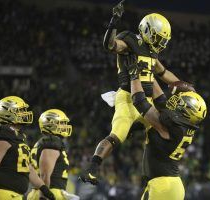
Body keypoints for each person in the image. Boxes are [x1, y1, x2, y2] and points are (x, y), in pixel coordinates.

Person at [80, 0, 181, 185]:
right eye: (158, 38)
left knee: (163, 132)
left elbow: (163, 73)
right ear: (148, 31)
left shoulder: (152, 52)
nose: (160, 43)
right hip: (128, 97)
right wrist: (114, 21)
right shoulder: (130, 39)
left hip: (147, 101)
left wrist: (182, 84)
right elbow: (110, 45)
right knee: (117, 135)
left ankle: (152, 169)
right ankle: (92, 167)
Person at [126, 54, 207, 199]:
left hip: (164, 186)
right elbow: (161, 101)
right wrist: (148, 73)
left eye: (180, 102)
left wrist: (134, 75)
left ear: (187, 111)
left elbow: (140, 102)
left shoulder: (174, 126)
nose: (175, 101)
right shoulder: (181, 125)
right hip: (166, 184)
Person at [0, 96, 55, 200]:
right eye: (21, 110)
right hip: (1, 194)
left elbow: (26, 167)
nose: (24, 113)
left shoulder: (17, 134)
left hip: (13, 195)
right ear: (7, 112)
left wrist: (44, 189)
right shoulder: (2, 131)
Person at [27, 109, 79, 200]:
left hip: (42, 192)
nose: (65, 126)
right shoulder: (51, 142)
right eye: (62, 123)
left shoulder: (45, 142)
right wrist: (44, 196)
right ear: (51, 124)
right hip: (49, 192)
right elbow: (45, 175)